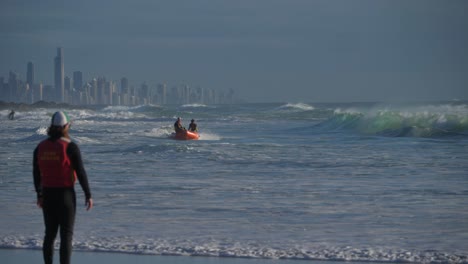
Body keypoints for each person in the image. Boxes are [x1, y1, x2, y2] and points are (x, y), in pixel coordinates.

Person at [33, 111, 93, 264]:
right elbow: (80, 172)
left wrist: (39, 194)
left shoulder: (40, 147)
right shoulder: (70, 147)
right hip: (65, 195)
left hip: (47, 194)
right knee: (66, 236)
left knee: (50, 235)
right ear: (66, 127)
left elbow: (36, 173)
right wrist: (88, 195)